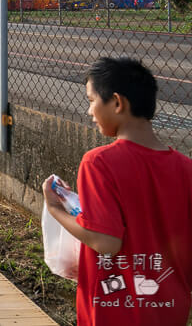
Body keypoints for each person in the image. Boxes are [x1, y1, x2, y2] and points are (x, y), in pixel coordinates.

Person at [42, 57, 192, 326]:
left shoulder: (98, 162)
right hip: (169, 306)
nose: (89, 111)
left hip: (114, 308)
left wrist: (55, 210)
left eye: (91, 100)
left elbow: (106, 242)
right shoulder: (186, 168)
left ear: (117, 103)